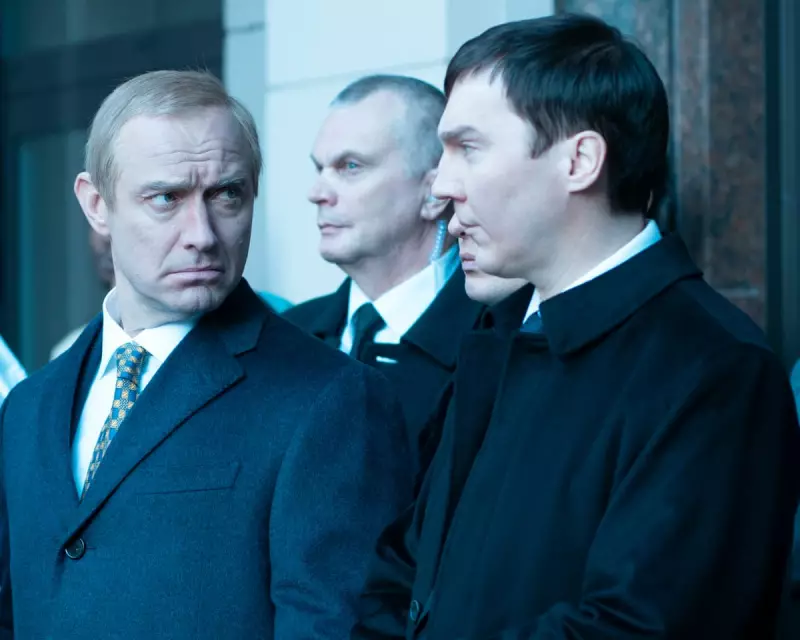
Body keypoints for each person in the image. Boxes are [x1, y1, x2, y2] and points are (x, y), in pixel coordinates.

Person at [353, 14, 800, 639]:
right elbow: (402, 575)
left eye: (468, 148)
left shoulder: (717, 370)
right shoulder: (498, 335)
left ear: (580, 161)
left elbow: (639, 626)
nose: (443, 186)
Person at [0, 70, 412, 640]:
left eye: (227, 195)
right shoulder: (27, 408)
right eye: (166, 198)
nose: (203, 233)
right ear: (96, 204)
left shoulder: (331, 399)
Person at [284, 74, 492, 470]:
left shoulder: (499, 339)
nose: (317, 193)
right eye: (319, 168)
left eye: (350, 166)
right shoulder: (286, 334)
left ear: (434, 193)